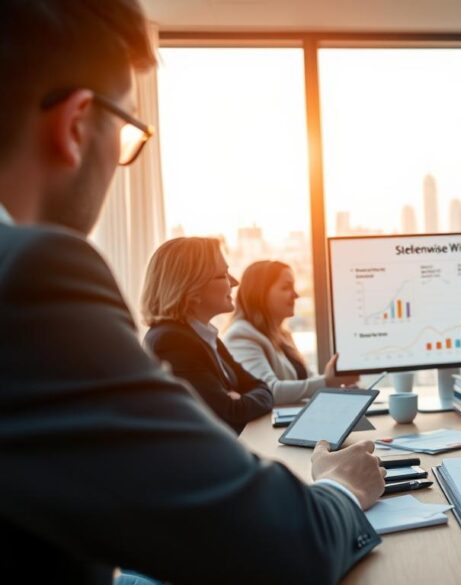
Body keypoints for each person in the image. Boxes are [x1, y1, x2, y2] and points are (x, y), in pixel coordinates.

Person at [0, 2, 385, 583]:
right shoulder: (31, 282)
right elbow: (283, 546)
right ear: (77, 126)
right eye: (128, 132)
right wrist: (341, 488)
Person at [142, 238, 275, 434]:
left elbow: (261, 387)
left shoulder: (203, 335)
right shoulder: (172, 342)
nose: (235, 282)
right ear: (191, 288)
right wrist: (237, 401)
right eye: (223, 275)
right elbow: (231, 413)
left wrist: (240, 399)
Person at [225, 260, 359, 403]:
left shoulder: (282, 335)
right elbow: (268, 390)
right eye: (286, 287)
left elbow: (307, 382)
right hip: (270, 425)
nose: (296, 295)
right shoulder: (241, 335)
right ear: (260, 293)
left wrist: (339, 387)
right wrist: (327, 381)